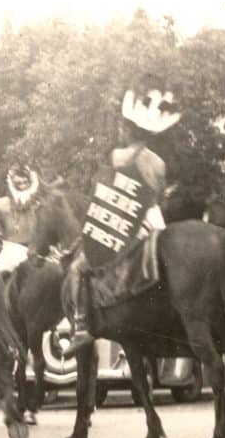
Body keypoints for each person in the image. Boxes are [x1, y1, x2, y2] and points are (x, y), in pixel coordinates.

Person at [63, 88, 181, 356]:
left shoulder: (118, 156)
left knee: (79, 268)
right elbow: (159, 198)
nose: (120, 132)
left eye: (122, 128)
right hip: (155, 222)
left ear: (128, 130)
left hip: (127, 222)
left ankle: (80, 327)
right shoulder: (159, 162)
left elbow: (109, 195)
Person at [0, 163, 41, 276]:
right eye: (20, 183)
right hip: (35, 255)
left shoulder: (0, 203)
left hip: (10, 255)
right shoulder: (38, 205)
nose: (23, 186)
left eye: (25, 183)